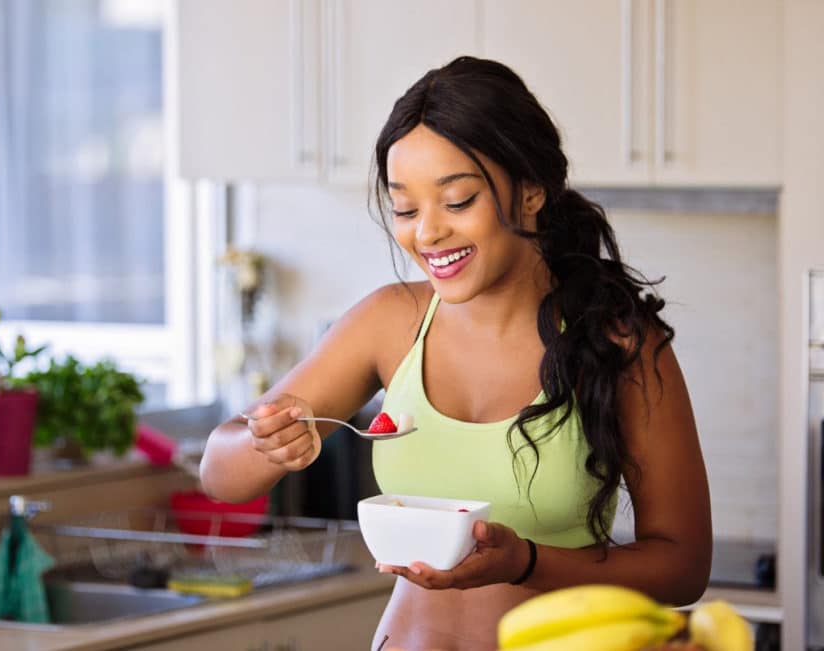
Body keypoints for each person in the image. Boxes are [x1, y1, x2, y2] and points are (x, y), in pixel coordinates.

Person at [199, 56, 712, 651]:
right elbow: (220, 473)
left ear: (531, 193)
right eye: (407, 209)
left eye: (458, 200)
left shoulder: (618, 342)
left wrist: (524, 562)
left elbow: (683, 566)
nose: (428, 234)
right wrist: (266, 444)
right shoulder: (390, 322)